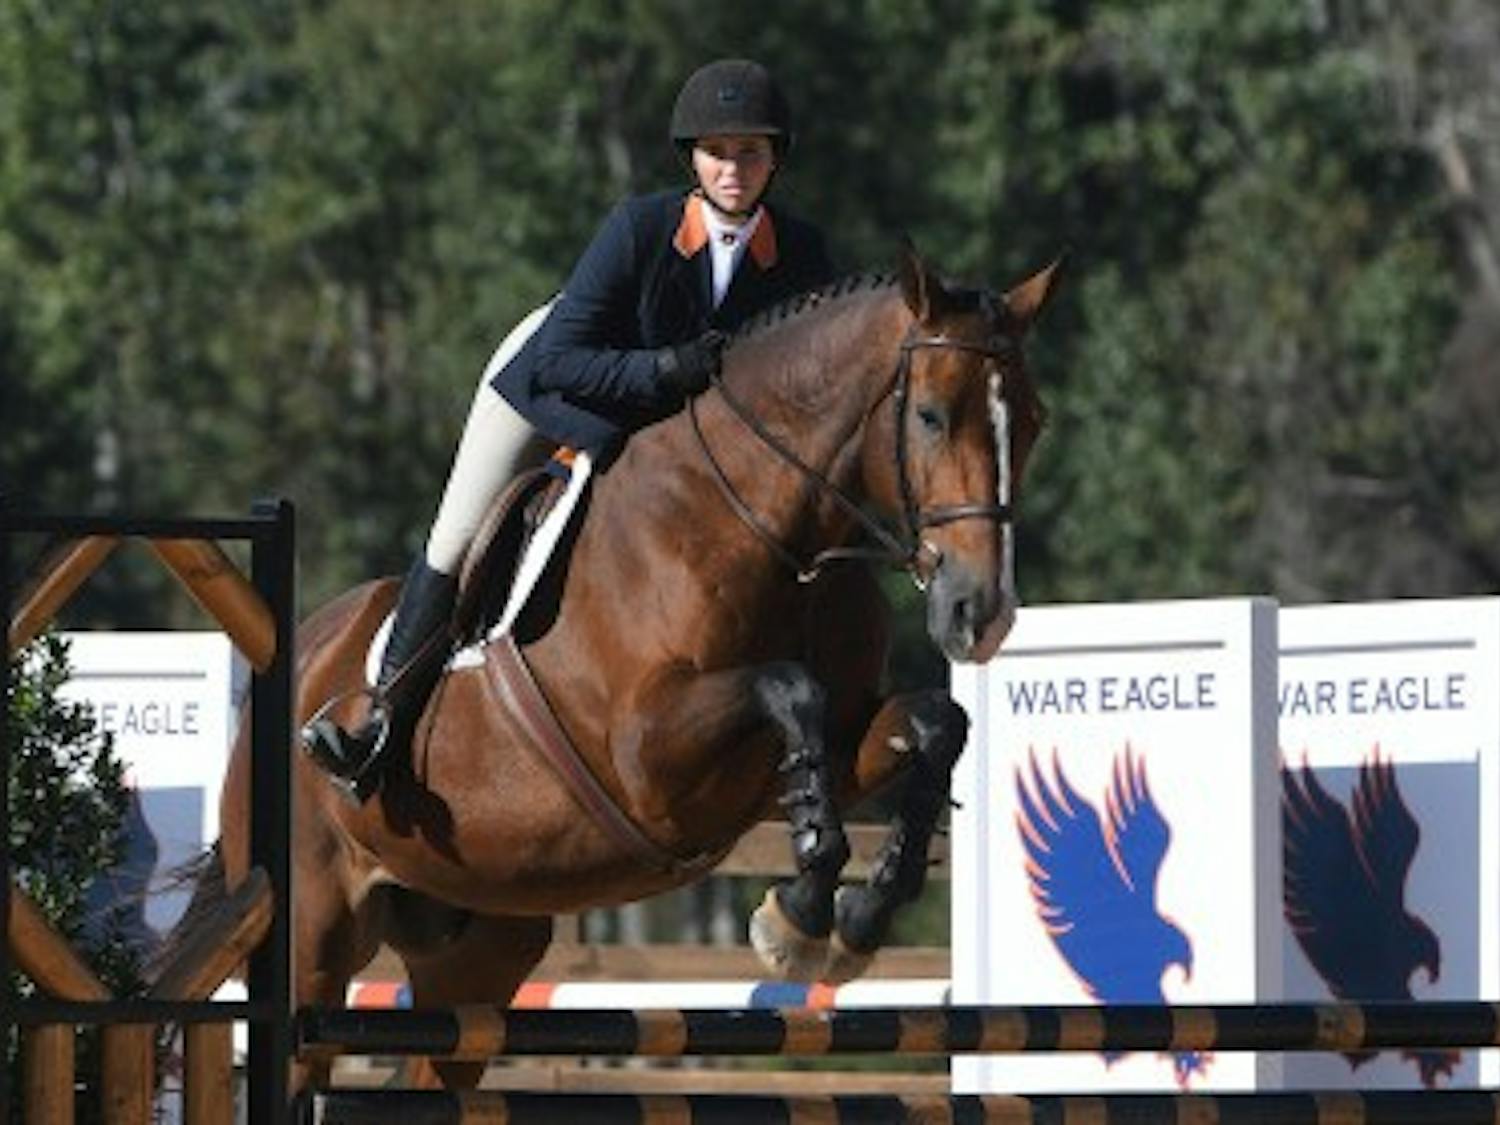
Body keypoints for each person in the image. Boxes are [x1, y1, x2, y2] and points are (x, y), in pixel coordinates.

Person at [302, 58, 836, 800]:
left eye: (751, 151)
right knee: (456, 538)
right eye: (718, 151)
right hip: (554, 389)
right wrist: (660, 370)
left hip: (675, 439)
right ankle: (377, 720)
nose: (734, 168)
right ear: (693, 158)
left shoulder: (803, 254)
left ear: (776, 157)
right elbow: (561, 358)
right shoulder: (639, 229)